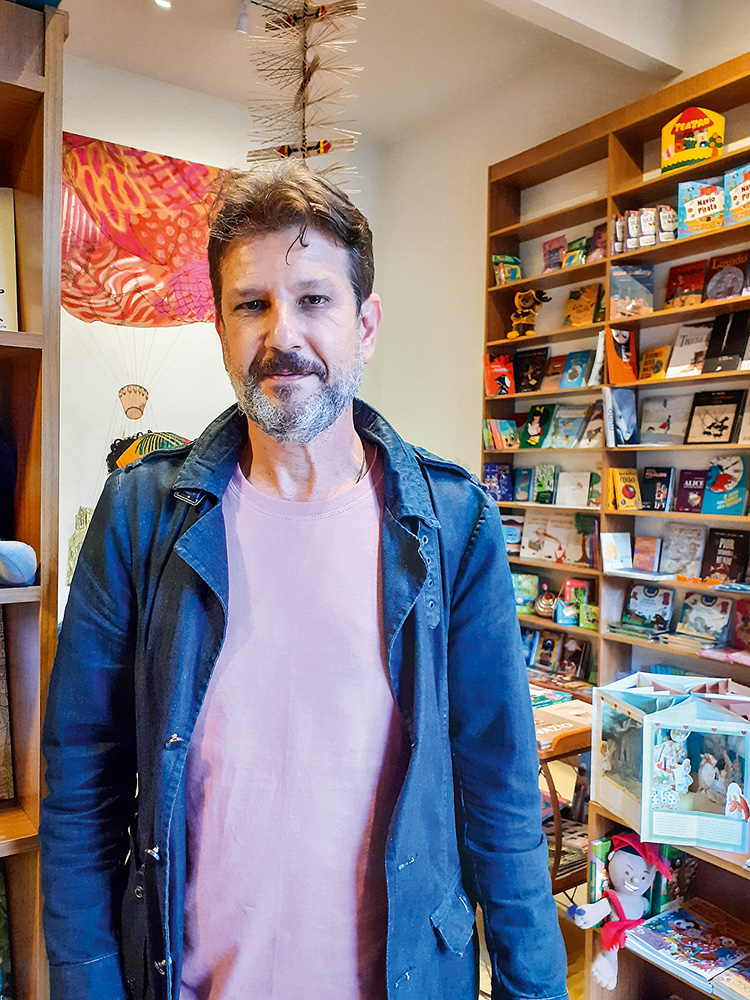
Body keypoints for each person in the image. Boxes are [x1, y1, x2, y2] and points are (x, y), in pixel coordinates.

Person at [40, 162, 568, 1000]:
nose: (283, 334)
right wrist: (86, 982)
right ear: (219, 327)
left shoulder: (454, 524)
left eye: (315, 300)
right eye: (253, 304)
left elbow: (499, 788)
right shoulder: (141, 516)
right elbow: (81, 782)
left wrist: (531, 986)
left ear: (366, 324)